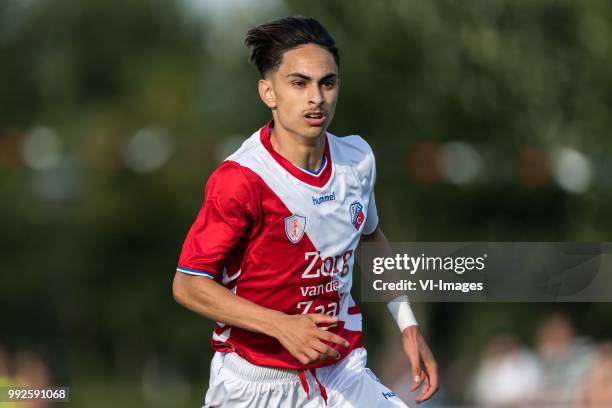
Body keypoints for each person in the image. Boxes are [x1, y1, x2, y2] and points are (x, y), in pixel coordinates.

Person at [173, 16, 438, 407]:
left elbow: (369, 238)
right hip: (254, 383)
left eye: (327, 83)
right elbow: (188, 285)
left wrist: (408, 324)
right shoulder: (241, 179)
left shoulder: (357, 159)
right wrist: (281, 326)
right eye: (299, 83)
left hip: (341, 371)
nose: (316, 97)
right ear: (269, 93)